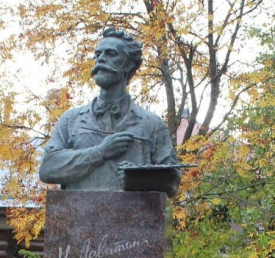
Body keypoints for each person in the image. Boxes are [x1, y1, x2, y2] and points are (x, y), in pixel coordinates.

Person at [38, 27, 181, 195]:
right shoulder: (71, 120)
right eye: (97, 55)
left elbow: (172, 182)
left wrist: (139, 178)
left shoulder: (152, 124)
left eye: (111, 54)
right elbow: (48, 168)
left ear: (129, 64)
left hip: (134, 218)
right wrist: (100, 152)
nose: (101, 60)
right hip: (80, 217)